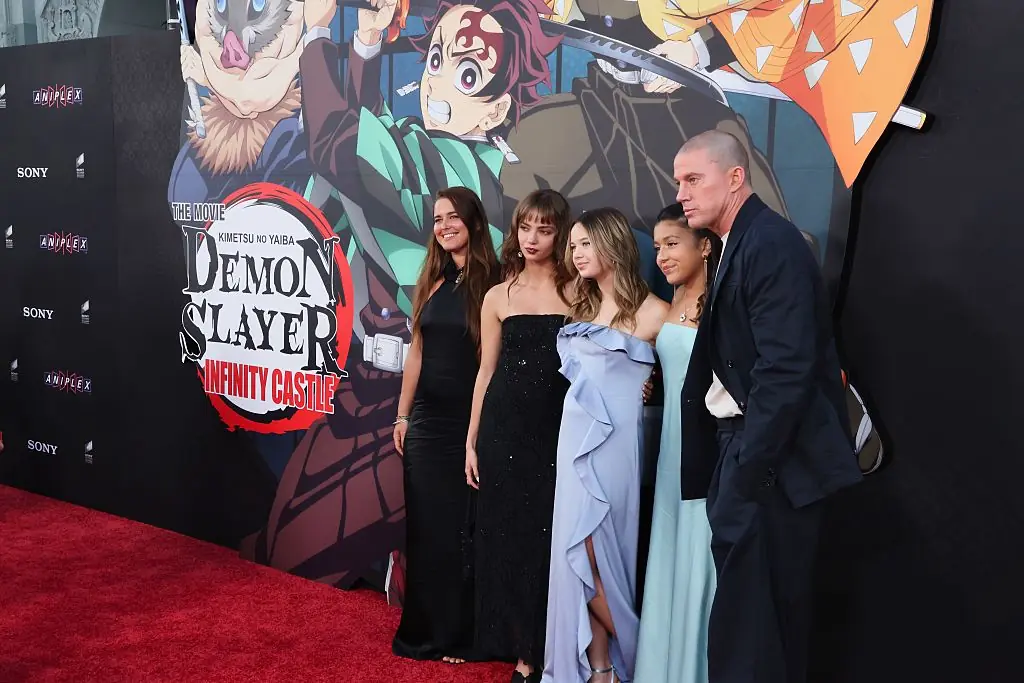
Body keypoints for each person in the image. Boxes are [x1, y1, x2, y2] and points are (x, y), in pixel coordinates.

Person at [673, 130, 863, 683]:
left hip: (769, 466)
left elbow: (786, 370)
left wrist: (749, 470)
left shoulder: (770, 243)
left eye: (693, 179)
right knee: (753, 630)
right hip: (749, 458)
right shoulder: (742, 243)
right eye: (678, 181)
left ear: (736, 177)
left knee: (754, 636)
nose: (681, 194)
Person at [542, 208, 669, 683]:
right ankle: (601, 668)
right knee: (576, 555)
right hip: (572, 443)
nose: (576, 253)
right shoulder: (581, 309)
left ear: (612, 243)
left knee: (597, 555)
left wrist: (649, 384)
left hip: (615, 450)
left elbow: (686, 380)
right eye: (573, 245)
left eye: (585, 243)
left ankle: (647, 659)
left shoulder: (656, 313)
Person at [466, 189, 574, 683]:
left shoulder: (580, 293)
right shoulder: (498, 296)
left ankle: (548, 645)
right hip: (502, 430)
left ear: (560, 234)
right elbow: (486, 373)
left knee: (546, 539)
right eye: (525, 228)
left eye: (544, 230)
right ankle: (522, 654)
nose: (532, 238)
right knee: (506, 536)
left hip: (557, 432)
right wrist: (471, 440)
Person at [391, 186, 500, 664]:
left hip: (469, 423)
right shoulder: (432, 280)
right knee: (426, 529)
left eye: (453, 217)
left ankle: (460, 635)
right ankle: (425, 629)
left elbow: (492, 363)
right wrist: (403, 414)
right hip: (427, 424)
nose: (444, 226)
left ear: (474, 221)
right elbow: (416, 352)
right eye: (437, 219)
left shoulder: (496, 282)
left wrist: (478, 431)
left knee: (464, 529)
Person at [634, 204, 722, 683]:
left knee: (698, 557)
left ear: (704, 246)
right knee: (669, 553)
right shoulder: (674, 299)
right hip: (670, 450)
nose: (662, 256)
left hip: (707, 452)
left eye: (672, 244)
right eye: (657, 247)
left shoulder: (721, 302)